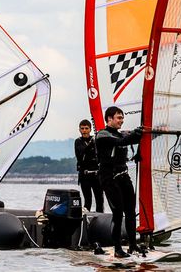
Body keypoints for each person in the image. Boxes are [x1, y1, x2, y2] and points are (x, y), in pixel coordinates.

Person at [95, 106, 143, 258]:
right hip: (109, 179)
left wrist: (143, 133)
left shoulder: (120, 134)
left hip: (123, 177)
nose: (122, 121)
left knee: (130, 212)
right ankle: (117, 249)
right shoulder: (102, 135)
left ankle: (133, 245)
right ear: (109, 119)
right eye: (119, 118)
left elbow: (131, 138)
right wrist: (135, 134)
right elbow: (122, 141)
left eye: (122, 118)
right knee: (118, 213)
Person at [74, 119, 104, 212]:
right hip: (84, 175)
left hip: (96, 175)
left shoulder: (96, 140)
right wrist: (91, 143)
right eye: (82, 128)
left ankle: (100, 215)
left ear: (90, 129)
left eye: (86, 128)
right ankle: (86, 217)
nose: (84, 130)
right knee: (88, 200)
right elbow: (82, 152)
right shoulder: (78, 141)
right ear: (79, 130)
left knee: (99, 199)